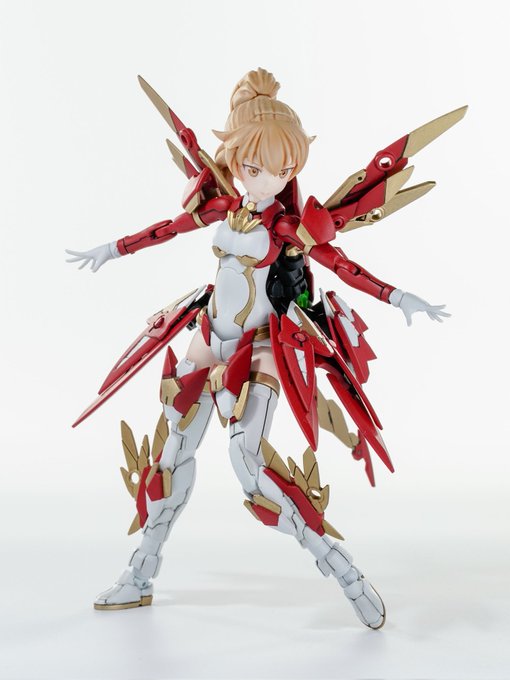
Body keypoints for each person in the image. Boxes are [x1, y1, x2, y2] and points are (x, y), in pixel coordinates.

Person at [67, 68, 460, 629]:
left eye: (281, 169)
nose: (267, 179)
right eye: (253, 167)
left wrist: (398, 296)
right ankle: (140, 574)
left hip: (259, 348)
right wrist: (112, 248)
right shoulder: (224, 207)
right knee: (170, 457)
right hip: (209, 334)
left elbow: (342, 265)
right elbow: (167, 228)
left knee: (249, 467)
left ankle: (342, 569)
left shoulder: (289, 227)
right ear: (234, 159)